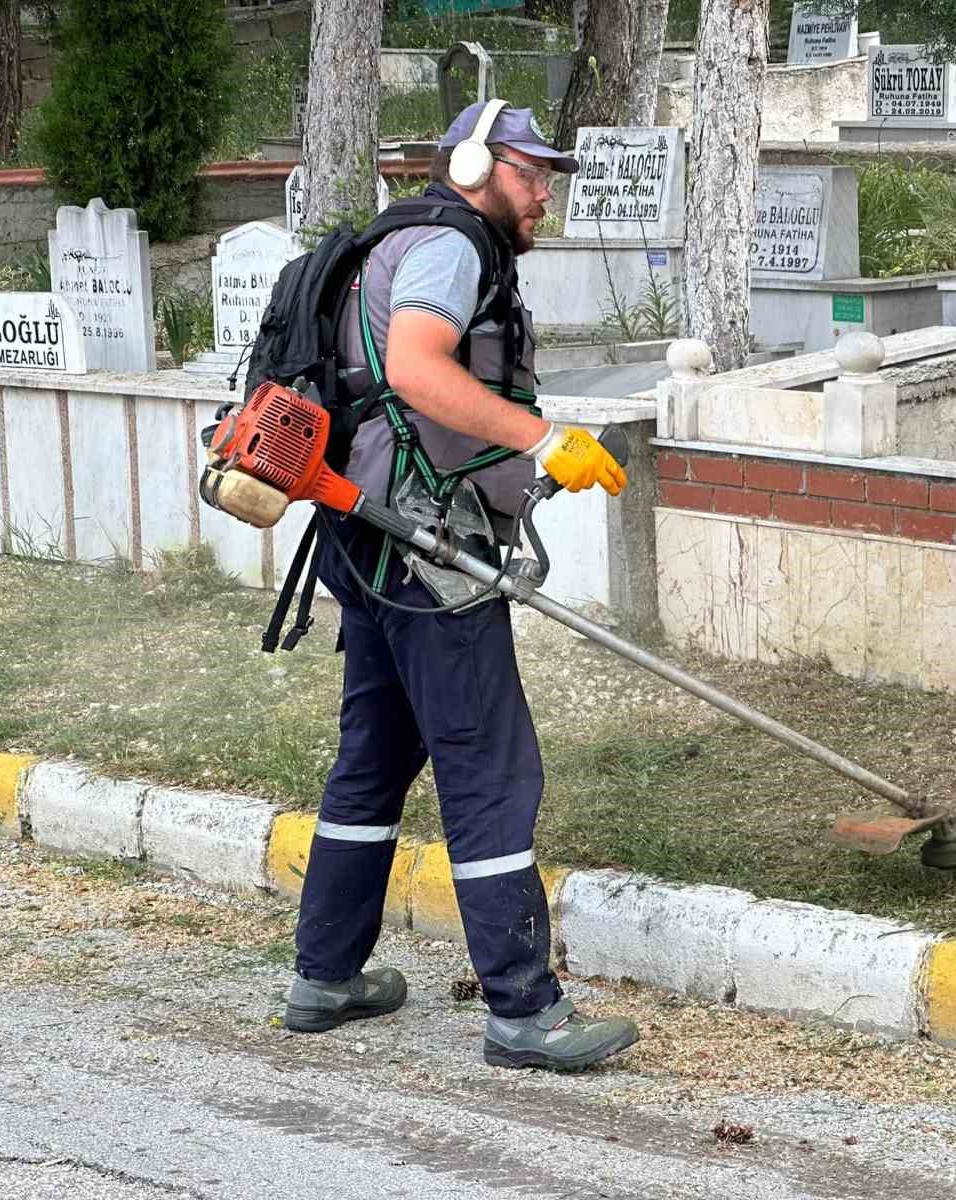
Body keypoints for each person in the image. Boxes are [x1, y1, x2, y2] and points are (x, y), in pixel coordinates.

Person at [280, 101, 637, 1073]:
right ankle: (523, 1011)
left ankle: (324, 975)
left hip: (365, 536)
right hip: (424, 549)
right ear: (475, 164)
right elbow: (415, 368)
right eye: (530, 171)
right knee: (488, 771)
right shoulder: (450, 246)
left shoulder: (404, 241)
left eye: (547, 173)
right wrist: (542, 438)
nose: (544, 189)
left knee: (374, 758)